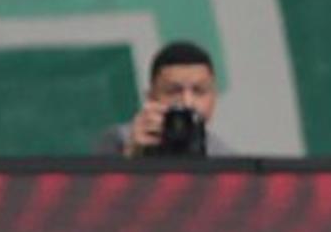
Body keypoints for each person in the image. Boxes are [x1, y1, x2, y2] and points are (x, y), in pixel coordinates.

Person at [96, 41, 233, 158]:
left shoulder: (225, 156)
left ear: (213, 98)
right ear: (151, 98)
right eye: (174, 91)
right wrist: (132, 155)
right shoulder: (120, 140)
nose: (187, 102)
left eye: (198, 91)